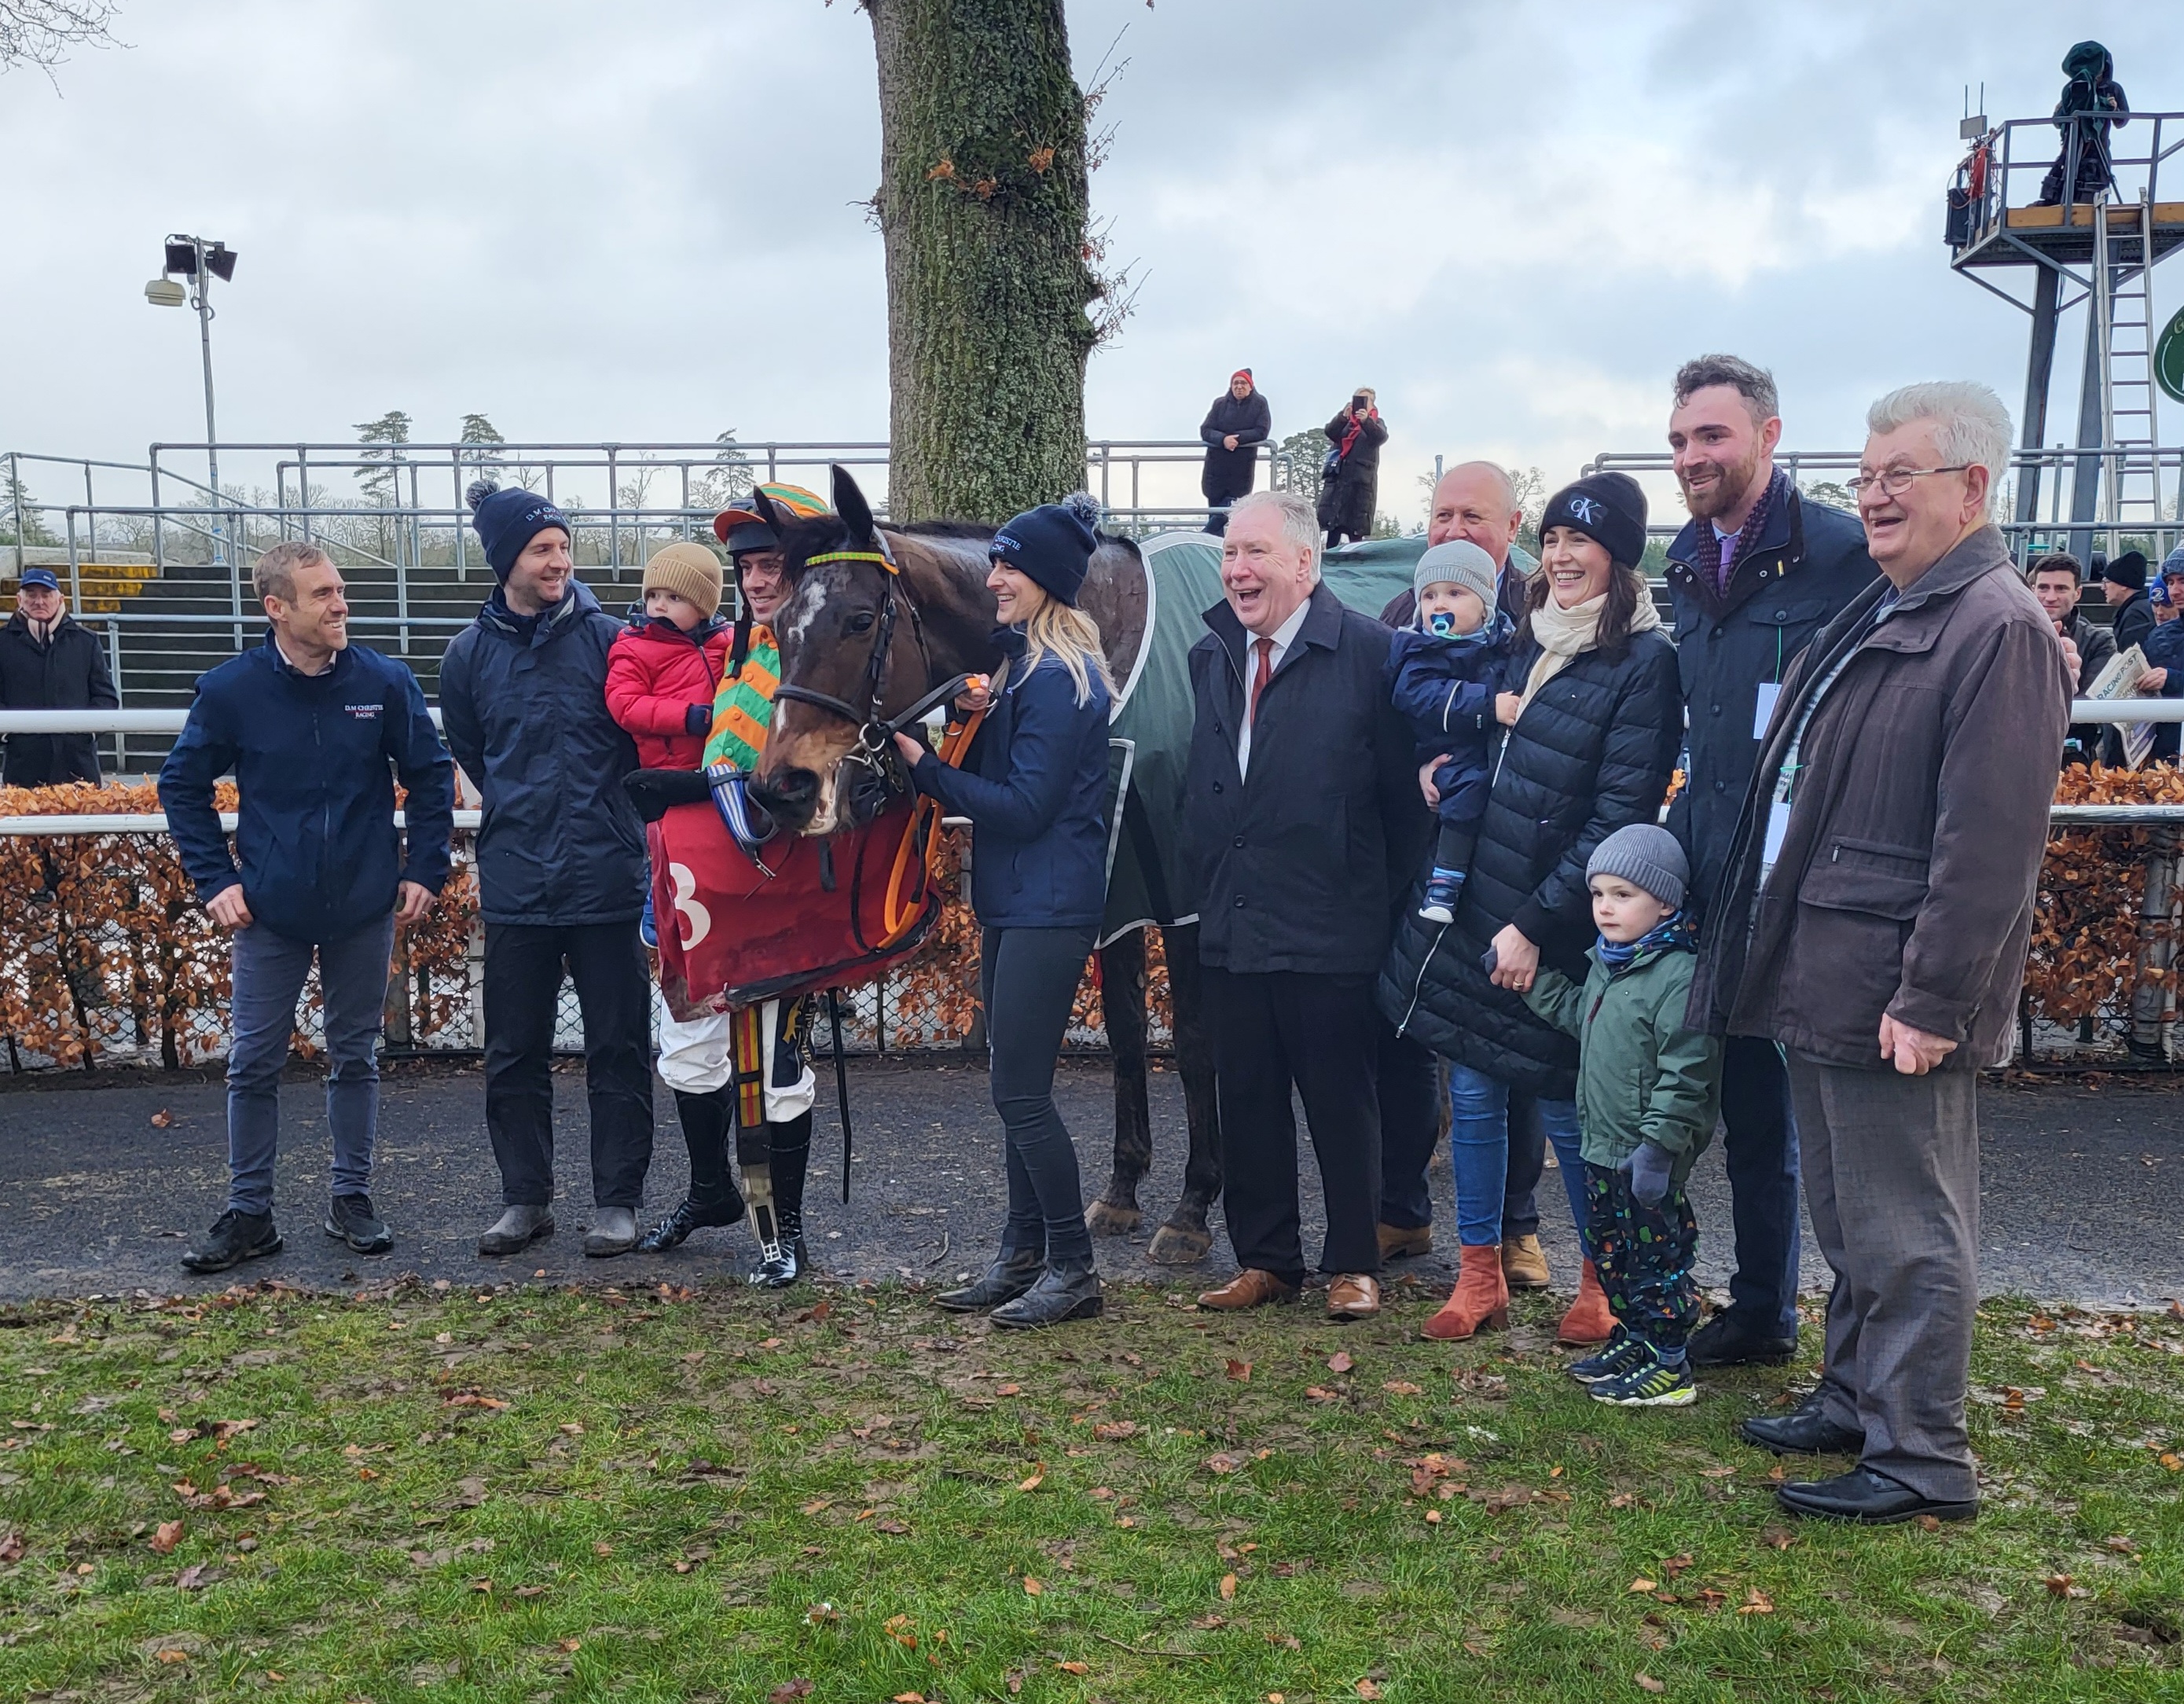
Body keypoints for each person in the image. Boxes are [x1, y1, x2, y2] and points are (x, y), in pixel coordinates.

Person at [1694, 380, 2071, 1525]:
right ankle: (1856, 1399)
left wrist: (1934, 998)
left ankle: (1917, 1460)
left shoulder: (1994, 627)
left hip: (1893, 993)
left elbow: (1985, 849)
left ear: (1971, 484)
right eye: (1862, 478)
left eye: (1896, 474)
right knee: (1851, 1217)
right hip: (1828, 974)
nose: (1871, 496)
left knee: (1908, 1230)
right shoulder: (1894, 604)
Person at [1379, 472, 1681, 1346]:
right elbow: (1464, 725)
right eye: (1550, 540)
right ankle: (1478, 1275)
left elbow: (1617, 817)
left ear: (1617, 558)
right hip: (1482, 899)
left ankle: (1600, 1281)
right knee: (1472, 1092)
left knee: (1568, 1103)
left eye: (1579, 542)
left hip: (1559, 921)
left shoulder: (1643, 662)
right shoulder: (1518, 639)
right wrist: (1434, 768)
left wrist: (1536, 926)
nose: (1560, 556)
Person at [1660, 354, 1878, 1370]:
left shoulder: (1839, 551)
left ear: (1766, 437)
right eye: (1677, 440)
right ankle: (1759, 1310)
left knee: (1829, 1130)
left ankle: (1859, 1343)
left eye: (1710, 436)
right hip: (1712, 869)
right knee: (1746, 1105)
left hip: (1803, 876)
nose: (1690, 457)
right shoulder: (1681, 560)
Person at [159, 542, 453, 1272]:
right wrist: (214, 881)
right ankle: (250, 1212)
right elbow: (181, 786)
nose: (339, 604)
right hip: (269, 911)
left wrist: (425, 866)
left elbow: (429, 775)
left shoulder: (382, 681)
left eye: (341, 590)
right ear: (277, 608)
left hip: (363, 904)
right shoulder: (232, 690)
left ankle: (350, 1199)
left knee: (354, 1056)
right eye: (321, 594)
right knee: (253, 1063)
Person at [1187, 489, 1427, 1323]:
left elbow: (1407, 807)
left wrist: (1372, 898)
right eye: (1228, 554)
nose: (1237, 570)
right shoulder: (1210, 653)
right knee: (1245, 1097)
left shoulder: (1372, 653)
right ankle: (1266, 1258)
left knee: (1339, 1099)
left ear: (1304, 561)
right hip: (1234, 919)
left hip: (1333, 925)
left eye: (1254, 552)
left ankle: (1354, 1260)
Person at [893, 499, 1115, 1328]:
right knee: (1012, 1088)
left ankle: (1072, 1264)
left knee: (1021, 1092)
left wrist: (927, 769)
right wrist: (966, 724)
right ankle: (1023, 1251)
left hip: (1049, 903)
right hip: (1021, 899)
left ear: (1047, 581)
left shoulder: (1058, 680)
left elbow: (1023, 807)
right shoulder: (1025, 668)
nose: (992, 580)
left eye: (1008, 567)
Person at [441, 482, 654, 1261]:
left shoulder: (611, 642)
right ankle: (524, 1197)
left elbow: (635, 747)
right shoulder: (467, 656)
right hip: (518, 883)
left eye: (563, 545)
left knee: (619, 1046)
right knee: (514, 1051)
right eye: (542, 548)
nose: (558, 559)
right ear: (508, 561)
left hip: (604, 879)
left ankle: (618, 1200)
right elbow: (473, 750)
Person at [629, 484, 833, 1284]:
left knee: (776, 1068)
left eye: (771, 562)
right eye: (746, 564)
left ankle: (783, 1228)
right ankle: (714, 1191)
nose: (755, 578)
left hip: (778, 884)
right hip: (702, 875)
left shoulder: (821, 652)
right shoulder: (740, 644)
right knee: (687, 1049)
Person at [1375, 461, 1544, 1285]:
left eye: (1471, 515)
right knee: (1409, 1035)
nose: (1451, 529)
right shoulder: (1405, 611)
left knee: (1512, 1040)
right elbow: (1384, 717)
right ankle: (1401, 1212)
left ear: (1512, 528)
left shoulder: (1541, 616)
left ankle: (1518, 1227)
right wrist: (1417, 766)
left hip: (1509, 862)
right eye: (1440, 514)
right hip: (1424, 858)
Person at [1523, 824, 1720, 1408]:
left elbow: (1688, 1073)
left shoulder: (1677, 976)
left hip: (1643, 1155)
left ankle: (1669, 1364)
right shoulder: (1609, 964)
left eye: (1623, 895)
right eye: (1598, 894)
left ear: (1664, 901)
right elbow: (1577, 1013)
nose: (1605, 907)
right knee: (1612, 1255)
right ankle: (1635, 1339)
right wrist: (1529, 983)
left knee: (1655, 1260)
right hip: (1600, 1145)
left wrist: (1658, 1147)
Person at [1386, 539, 1514, 923]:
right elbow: (1420, 697)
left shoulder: (1503, 643)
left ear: (1486, 603)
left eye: (1455, 593)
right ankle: (1446, 878)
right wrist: (1487, 706)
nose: (1439, 605)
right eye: (1428, 596)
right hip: (1445, 748)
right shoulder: (1419, 651)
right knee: (1466, 785)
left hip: (1485, 746)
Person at [0, 566, 119, 788]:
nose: (39, 601)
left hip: (78, 767)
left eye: (46, 595)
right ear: (19, 599)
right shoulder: (3, 642)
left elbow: (106, 698)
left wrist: (87, 734)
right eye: (31, 595)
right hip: (22, 767)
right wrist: (9, 734)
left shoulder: (86, 641)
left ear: (60, 598)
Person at [2026, 552, 2115, 764]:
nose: (2050, 597)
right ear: (2032, 590)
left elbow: (2090, 702)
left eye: (2061, 588)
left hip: (2072, 759)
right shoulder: (2010, 632)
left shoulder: (2098, 642)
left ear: (2078, 593)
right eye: (2043, 587)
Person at [2035, 40, 2128, 207]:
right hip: (2071, 149)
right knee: (2063, 180)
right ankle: (2055, 202)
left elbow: (2122, 120)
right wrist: (2060, 111)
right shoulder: (2074, 88)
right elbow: (2059, 121)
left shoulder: (2113, 89)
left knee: (2095, 187)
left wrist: (2113, 109)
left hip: (2097, 150)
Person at [1199, 369, 1272, 536]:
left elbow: (1262, 431)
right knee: (1215, 509)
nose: (1239, 387)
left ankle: (1204, 535)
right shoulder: (1220, 404)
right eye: (1236, 383)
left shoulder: (1260, 404)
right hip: (1216, 468)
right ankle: (1212, 546)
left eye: (1243, 383)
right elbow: (1206, 430)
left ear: (1250, 386)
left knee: (1232, 508)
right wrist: (1223, 440)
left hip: (1241, 469)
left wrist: (1238, 439)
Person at [1318, 388, 1387, 549]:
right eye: (1357, 399)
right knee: (1333, 527)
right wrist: (1342, 417)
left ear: (1372, 404)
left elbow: (1380, 437)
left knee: (1355, 531)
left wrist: (1366, 421)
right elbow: (1330, 432)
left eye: (1365, 400)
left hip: (1360, 485)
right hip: (1339, 482)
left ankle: (1356, 563)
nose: (1359, 404)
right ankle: (1329, 562)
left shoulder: (1376, 423)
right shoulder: (1346, 423)